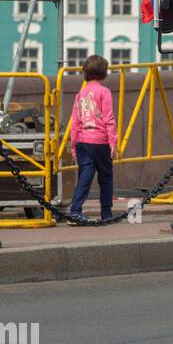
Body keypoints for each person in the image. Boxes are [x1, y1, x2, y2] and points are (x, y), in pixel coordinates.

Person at [68, 55, 118, 224]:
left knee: (84, 177)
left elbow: (75, 121)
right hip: (100, 141)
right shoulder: (104, 92)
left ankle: (75, 210)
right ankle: (106, 212)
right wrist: (113, 142)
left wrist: (73, 145)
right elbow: (108, 118)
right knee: (105, 177)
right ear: (104, 73)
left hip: (82, 140)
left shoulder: (80, 94)